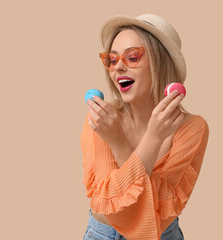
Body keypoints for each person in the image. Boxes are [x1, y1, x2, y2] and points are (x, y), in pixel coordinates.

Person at [80, 14, 209, 240]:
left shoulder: (192, 128)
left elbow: (153, 219)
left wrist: (135, 141)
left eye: (132, 57)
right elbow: (111, 203)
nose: (117, 67)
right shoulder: (102, 120)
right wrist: (145, 139)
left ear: (161, 63)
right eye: (112, 59)